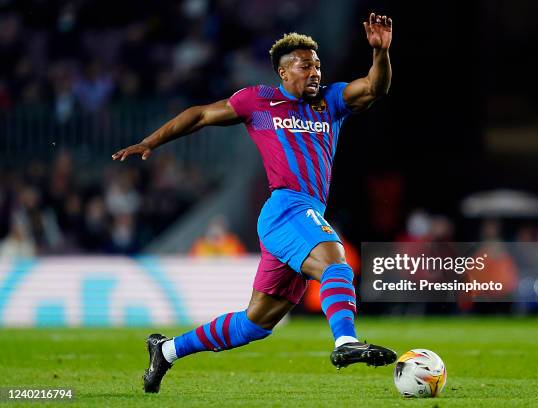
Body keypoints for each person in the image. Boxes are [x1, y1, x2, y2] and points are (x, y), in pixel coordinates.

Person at [112, 13, 395, 393]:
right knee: (335, 260)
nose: (315, 72)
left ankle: (166, 350)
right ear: (283, 72)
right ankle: (345, 342)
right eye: (305, 65)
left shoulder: (331, 101)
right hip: (286, 209)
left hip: (305, 214)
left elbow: (375, 88)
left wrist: (380, 53)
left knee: (255, 324)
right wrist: (151, 142)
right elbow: (199, 115)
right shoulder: (258, 102)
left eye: (318, 65)